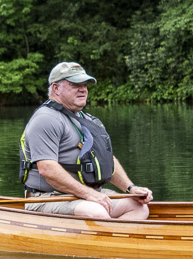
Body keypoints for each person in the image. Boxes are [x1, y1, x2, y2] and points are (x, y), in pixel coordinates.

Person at [19, 62, 153, 219]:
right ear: (56, 88)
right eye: (75, 85)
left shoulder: (88, 120)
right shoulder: (45, 119)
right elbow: (47, 169)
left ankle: (110, 234)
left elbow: (106, 160)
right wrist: (89, 194)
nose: (83, 89)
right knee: (97, 212)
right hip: (47, 197)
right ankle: (109, 232)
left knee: (139, 207)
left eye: (84, 85)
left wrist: (130, 188)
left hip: (86, 195)